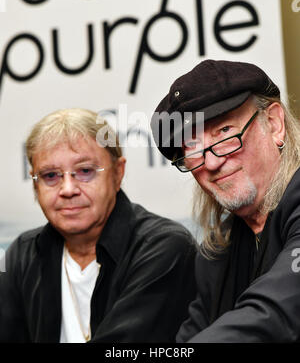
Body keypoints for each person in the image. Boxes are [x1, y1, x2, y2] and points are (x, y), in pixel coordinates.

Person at [0, 108, 197, 343]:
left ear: (117, 173)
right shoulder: (22, 254)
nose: (68, 189)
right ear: (35, 183)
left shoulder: (164, 247)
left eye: (84, 171)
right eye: (50, 176)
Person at [151, 59, 300, 343]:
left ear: (274, 124)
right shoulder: (217, 254)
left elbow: (276, 312)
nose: (211, 161)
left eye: (224, 131)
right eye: (193, 145)